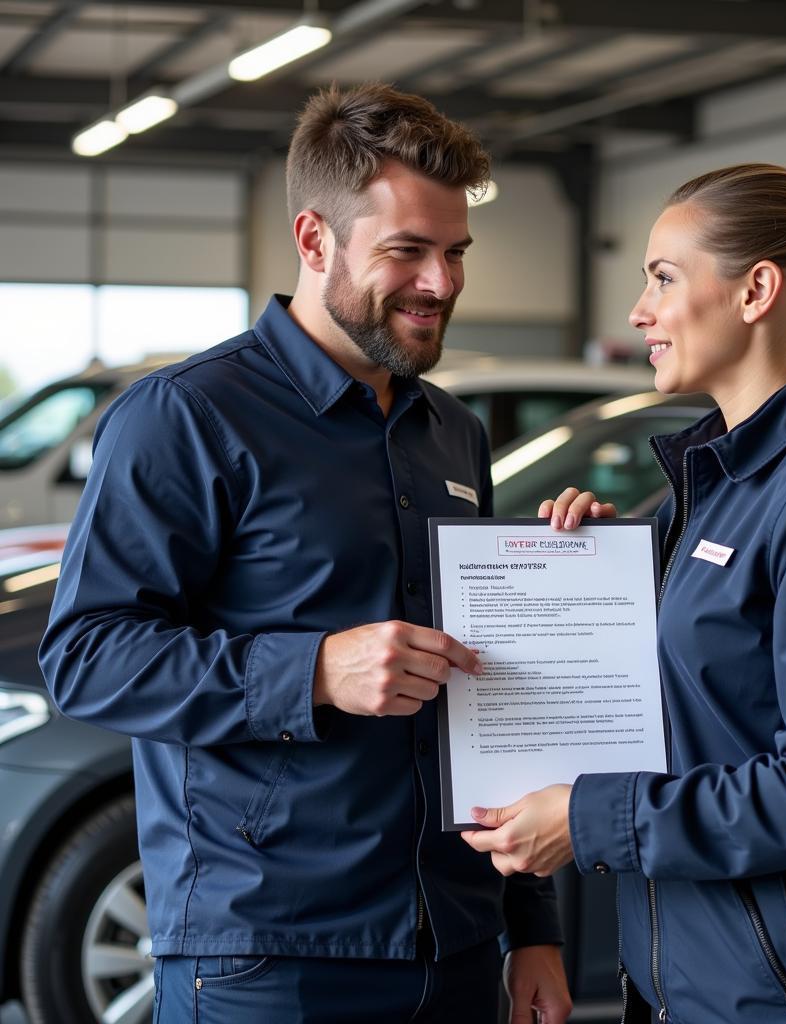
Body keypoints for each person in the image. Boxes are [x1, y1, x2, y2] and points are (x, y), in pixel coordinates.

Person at [40, 83, 571, 1024]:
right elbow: (86, 658)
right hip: (267, 956)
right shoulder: (186, 419)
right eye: (406, 251)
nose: (440, 284)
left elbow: (486, 698)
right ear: (315, 239)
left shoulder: (452, 432)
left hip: (452, 947)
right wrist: (314, 669)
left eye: (455, 253)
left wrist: (531, 927)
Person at [462, 163, 786, 1023]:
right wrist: (596, 577)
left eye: (662, 277)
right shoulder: (724, 485)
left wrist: (592, 820)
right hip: (709, 984)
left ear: (756, 290)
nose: (638, 310)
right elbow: (707, 705)